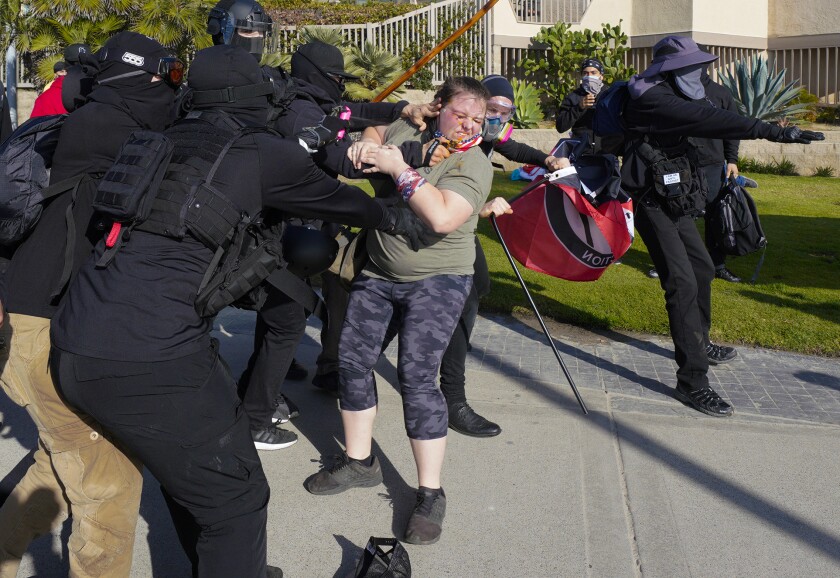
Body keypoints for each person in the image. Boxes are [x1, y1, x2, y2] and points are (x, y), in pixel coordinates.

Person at [49, 43, 428, 577]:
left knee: (195, 485)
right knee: (237, 498)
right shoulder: (258, 153)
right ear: (255, 95)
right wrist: (397, 215)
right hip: (150, 358)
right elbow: (343, 200)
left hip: (75, 342)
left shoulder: (156, 140)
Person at [0, 31, 181, 577]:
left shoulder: (103, 119)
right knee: (109, 480)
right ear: (131, 79)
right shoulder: (102, 126)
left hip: (50, 322)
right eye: (160, 79)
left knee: (62, 460)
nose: (168, 91)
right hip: (35, 330)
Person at [305, 76, 510, 546]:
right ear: (437, 108)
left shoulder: (473, 162)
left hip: (439, 279)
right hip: (379, 273)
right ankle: (360, 463)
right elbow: (372, 133)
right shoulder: (409, 132)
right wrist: (372, 141)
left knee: (417, 379)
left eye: (479, 119)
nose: (470, 125)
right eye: (461, 114)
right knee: (352, 363)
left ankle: (430, 492)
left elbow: (440, 216)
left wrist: (398, 169)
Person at [620, 35, 823, 418]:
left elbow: (714, 115)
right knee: (680, 281)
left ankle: (701, 341)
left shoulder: (669, 91)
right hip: (650, 200)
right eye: (691, 66)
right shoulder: (651, 98)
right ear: (671, 69)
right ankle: (692, 382)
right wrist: (775, 131)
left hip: (673, 197)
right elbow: (710, 118)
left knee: (701, 268)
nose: (700, 72)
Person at [371, 73, 566, 437]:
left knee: (474, 289)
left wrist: (547, 161)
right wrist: (477, 206)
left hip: (449, 231)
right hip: (407, 230)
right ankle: (354, 367)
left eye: (498, 114)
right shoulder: (421, 128)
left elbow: (516, 150)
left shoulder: (485, 135)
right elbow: (419, 184)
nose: (485, 121)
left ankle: (451, 394)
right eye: (483, 111)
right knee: (440, 296)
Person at [555, 58, 621, 154]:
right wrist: (579, 108)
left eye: (593, 73)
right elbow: (560, 126)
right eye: (586, 73)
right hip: (581, 153)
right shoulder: (573, 97)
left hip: (606, 153)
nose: (589, 76)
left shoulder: (611, 95)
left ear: (601, 76)